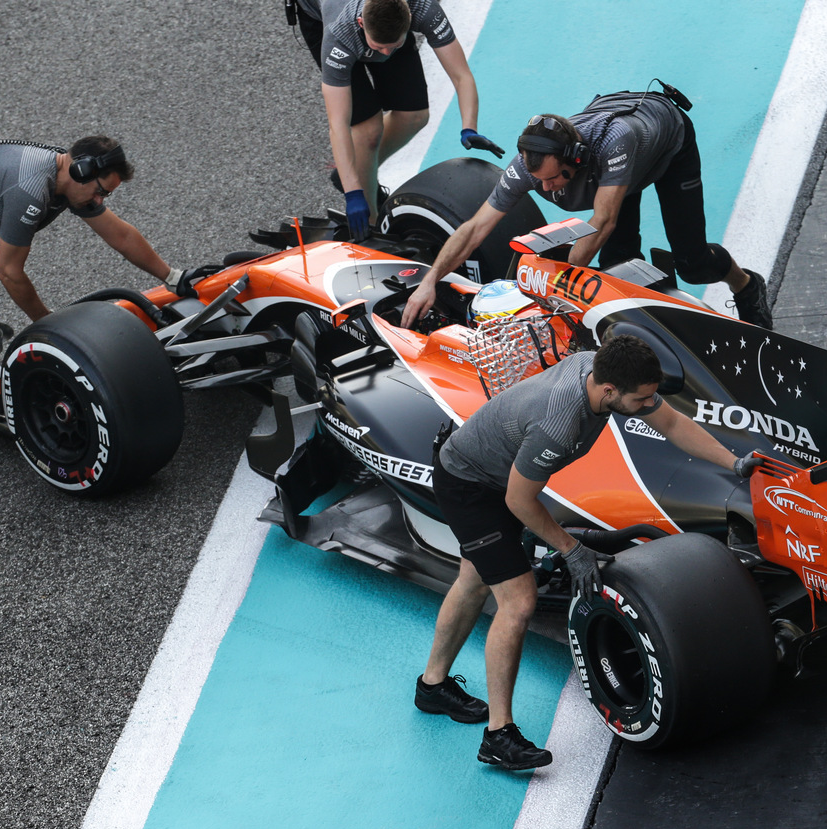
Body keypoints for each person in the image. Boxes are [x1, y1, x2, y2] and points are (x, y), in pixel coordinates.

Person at [414, 334, 756, 770]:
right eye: (641, 400)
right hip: (470, 484)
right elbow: (520, 502)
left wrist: (734, 463)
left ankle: (432, 686)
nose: (647, 406)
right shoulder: (560, 422)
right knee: (518, 602)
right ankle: (498, 736)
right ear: (609, 392)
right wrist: (571, 549)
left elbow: (671, 425)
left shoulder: (610, 371)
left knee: (474, 579)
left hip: (499, 474)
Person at [0, 136, 192, 478]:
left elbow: (121, 236)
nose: (101, 199)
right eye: (101, 190)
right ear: (81, 170)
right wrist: (53, 327)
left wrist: (172, 276)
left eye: (107, 194)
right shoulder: (29, 186)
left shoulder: (67, 181)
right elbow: (9, 272)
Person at [400, 87, 773, 330]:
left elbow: (603, 219)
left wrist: (552, 296)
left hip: (667, 148)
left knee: (691, 263)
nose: (546, 190)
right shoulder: (530, 165)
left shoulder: (617, 141)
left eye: (554, 180)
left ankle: (747, 285)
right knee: (618, 266)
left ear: (575, 160)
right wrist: (430, 282)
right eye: (540, 183)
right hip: (612, 176)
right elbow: (474, 228)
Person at [290, 0, 501, 238]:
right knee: (367, 129)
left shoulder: (423, 8)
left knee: (414, 116)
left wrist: (469, 128)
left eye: (393, 45)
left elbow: (461, 75)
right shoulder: (339, 34)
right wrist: (353, 194)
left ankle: (356, 172)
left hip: (380, 25)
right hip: (327, 18)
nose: (385, 54)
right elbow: (338, 124)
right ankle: (371, 221)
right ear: (361, 23)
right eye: (379, 47)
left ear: (408, 18)